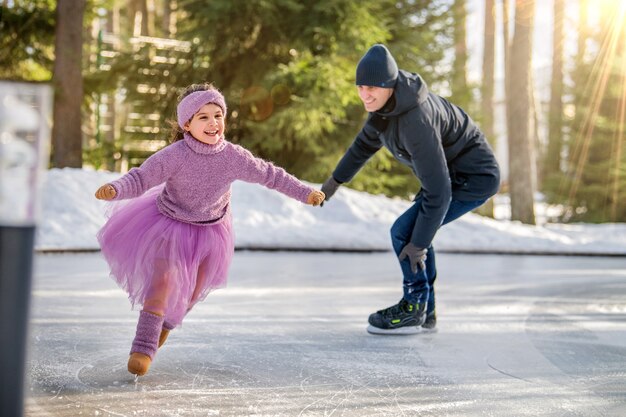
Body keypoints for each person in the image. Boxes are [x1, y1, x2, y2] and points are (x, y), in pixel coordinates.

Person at [95, 83, 325, 376]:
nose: (213, 122)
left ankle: (161, 330)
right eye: (203, 117)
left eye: (218, 115)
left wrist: (305, 193)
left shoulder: (233, 157)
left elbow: (271, 175)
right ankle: (142, 346)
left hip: (211, 231)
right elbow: (141, 177)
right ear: (187, 124)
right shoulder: (175, 155)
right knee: (162, 282)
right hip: (170, 225)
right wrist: (115, 188)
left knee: (190, 292)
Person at [320, 44, 500, 335]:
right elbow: (362, 147)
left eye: (372, 88)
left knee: (406, 233)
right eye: (360, 87)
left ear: (389, 84)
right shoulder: (383, 110)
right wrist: (332, 184)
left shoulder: (416, 121)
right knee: (416, 232)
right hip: (450, 174)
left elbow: (439, 193)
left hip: (474, 177)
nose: (365, 94)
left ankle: (414, 307)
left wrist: (417, 245)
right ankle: (426, 310)